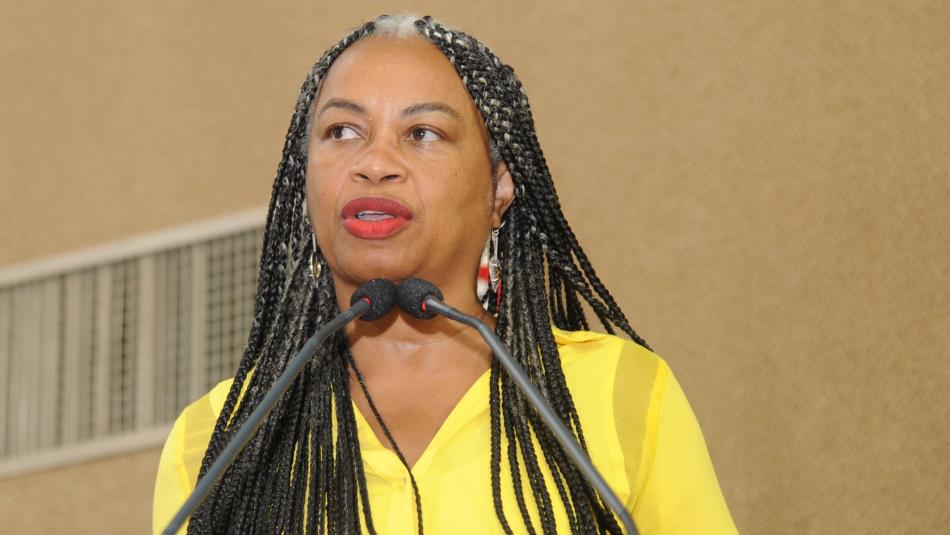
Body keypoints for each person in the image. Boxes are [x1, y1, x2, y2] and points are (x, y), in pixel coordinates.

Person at [153, 14, 738, 535]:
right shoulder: (219, 442)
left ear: (499, 187)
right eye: (342, 132)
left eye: (423, 134)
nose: (374, 163)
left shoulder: (615, 394)